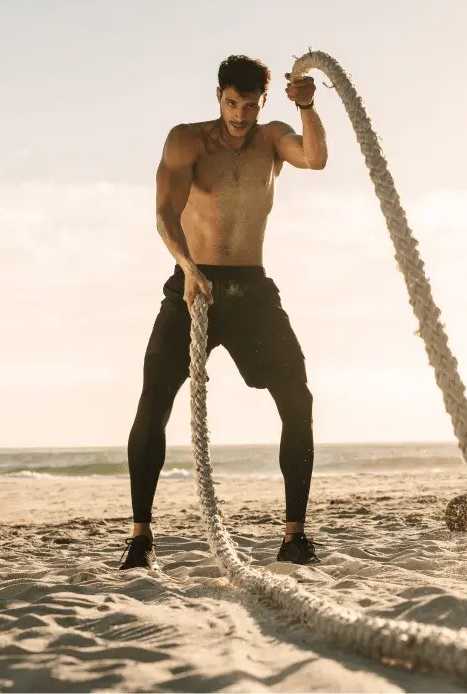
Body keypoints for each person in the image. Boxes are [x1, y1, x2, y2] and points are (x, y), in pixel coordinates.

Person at [119, 55, 328, 570]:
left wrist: (306, 106)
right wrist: (187, 266)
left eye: (251, 105)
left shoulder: (273, 138)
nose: (241, 115)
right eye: (233, 103)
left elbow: (316, 158)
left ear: (263, 101)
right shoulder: (187, 141)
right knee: (154, 402)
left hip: (252, 289)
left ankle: (294, 535)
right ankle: (140, 536)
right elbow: (165, 212)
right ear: (218, 96)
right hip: (194, 282)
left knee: (296, 399)